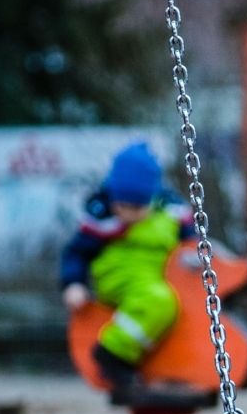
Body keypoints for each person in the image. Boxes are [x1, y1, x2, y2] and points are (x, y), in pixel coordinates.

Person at [60, 141, 194, 398]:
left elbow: (192, 244)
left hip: (158, 276)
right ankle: (112, 353)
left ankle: (161, 360)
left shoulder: (171, 213)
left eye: (136, 207)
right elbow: (76, 253)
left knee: (175, 302)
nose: (127, 214)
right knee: (158, 301)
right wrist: (73, 284)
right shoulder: (102, 218)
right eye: (121, 205)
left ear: (152, 199)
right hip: (118, 275)